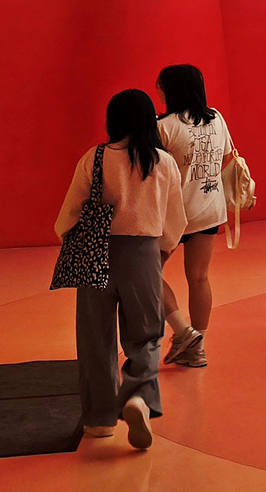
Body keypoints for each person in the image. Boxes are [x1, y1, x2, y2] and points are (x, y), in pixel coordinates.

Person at [57, 89, 186, 449]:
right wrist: (162, 249)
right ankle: (138, 397)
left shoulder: (95, 158)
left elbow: (70, 213)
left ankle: (98, 420)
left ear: (112, 119)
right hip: (143, 255)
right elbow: (176, 220)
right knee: (146, 334)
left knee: (94, 337)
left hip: (96, 253)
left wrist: (66, 237)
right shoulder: (163, 163)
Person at [155, 64, 234, 368]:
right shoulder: (216, 118)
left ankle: (183, 332)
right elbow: (226, 156)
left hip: (173, 214)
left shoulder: (164, 127)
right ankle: (197, 347)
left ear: (170, 90)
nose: (158, 92)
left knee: (146, 273)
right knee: (199, 277)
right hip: (209, 209)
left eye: (160, 86)